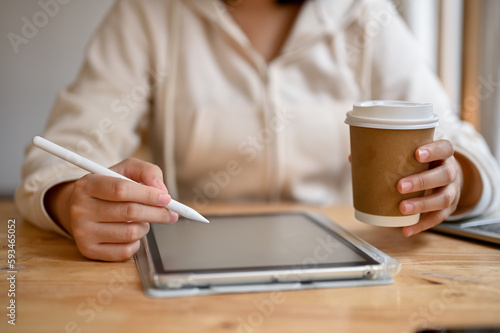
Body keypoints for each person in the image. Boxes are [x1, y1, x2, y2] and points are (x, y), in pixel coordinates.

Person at [16, 0, 500, 261]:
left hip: (350, 269)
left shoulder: (363, 14)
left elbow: (461, 143)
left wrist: (455, 179)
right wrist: (69, 199)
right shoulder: (148, 13)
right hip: (193, 272)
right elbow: (63, 153)